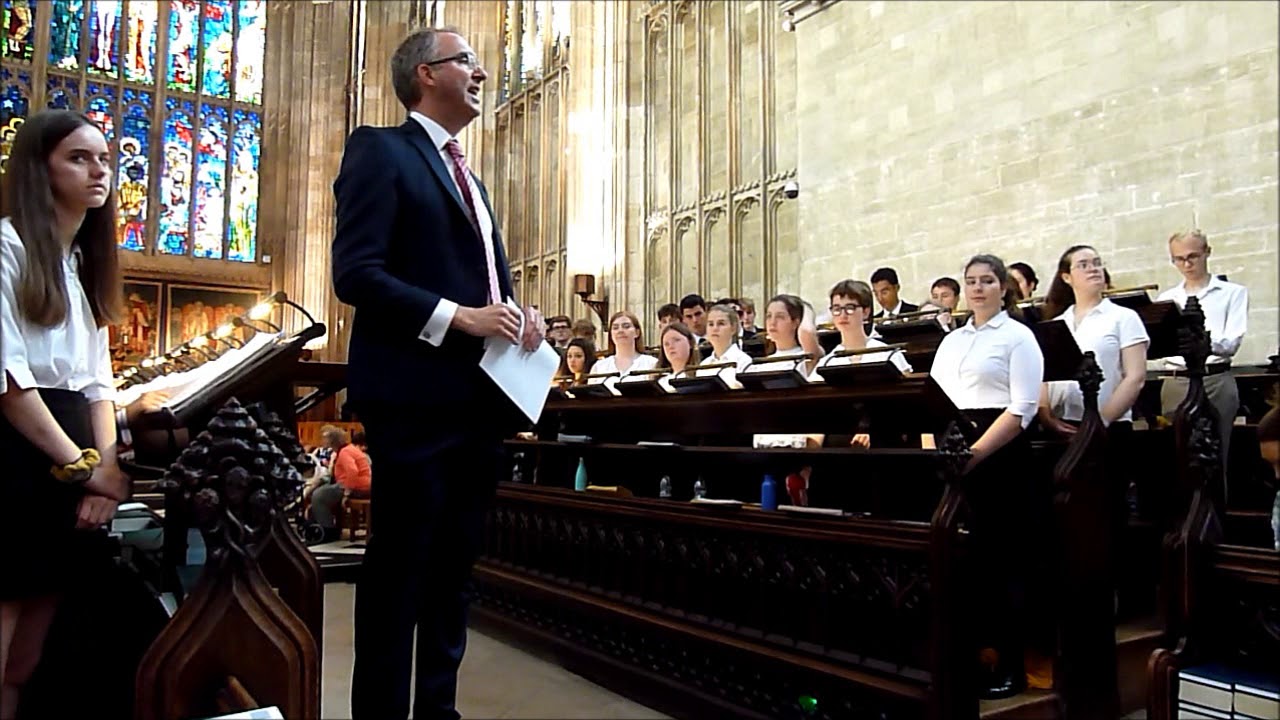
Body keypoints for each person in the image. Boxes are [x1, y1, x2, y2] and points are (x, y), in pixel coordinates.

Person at [330, 28, 545, 720]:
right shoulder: (381, 150)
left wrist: (517, 315)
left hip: (478, 399)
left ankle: (439, 711)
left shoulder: (470, 178)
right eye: (467, 63)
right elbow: (357, 274)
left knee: (454, 573)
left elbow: (488, 290)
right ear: (425, 73)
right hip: (415, 397)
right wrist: (461, 317)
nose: (482, 73)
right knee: (400, 572)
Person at [0, 110, 127, 720]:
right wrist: (83, 467)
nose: (98, 169)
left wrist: (106, 469)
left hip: (72, 462)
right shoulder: (7, 246)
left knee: (30, 654)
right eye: (79, 157)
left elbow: (99, 384)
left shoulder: (80, 267)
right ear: (38, 168)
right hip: (17, 458)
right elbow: (9, 381)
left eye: (104, 158)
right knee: (3, 628)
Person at [930, 254, 1045, 699]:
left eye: (987, 281)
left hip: (999, 458)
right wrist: (939, 456)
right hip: (953, 455)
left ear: (1003, 288)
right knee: (962, 565)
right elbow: (933, 400)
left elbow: (1023, 408)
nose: (978, 289)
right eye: (971, 282)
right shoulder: (953, 341)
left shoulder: (1019, 337)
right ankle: (965, 659)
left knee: (1003, 564)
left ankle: (1009, 667)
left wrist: (971, 456)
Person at [1156, 230, 1248, 483]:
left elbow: (1231, 343)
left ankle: (1216, 518)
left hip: (1215, 377)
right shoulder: (1167, 299)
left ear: (1208, 252)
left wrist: (1201, 341)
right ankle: (1184, 517)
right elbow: (1159, 345)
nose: (1187, 264)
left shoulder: (1232, 293)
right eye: (1179, 259)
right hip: (1177, 379)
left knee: (1217, 455)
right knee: (1179, 457)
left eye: (1193, 256)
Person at [310, 425, 373, 542]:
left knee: (319, 496)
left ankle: (328, 530)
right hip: (360, 484)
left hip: (357, 486)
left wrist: (347, 493)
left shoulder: (345, 452)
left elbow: (352, 472)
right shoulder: (347, 449)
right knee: (323, 490)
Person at [589, 310, 658, 378]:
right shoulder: (599, 367)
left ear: (637, 332)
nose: (620, 331)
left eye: (626, 326)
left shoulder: (651, 364)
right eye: (615, 328)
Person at [703, 303, 753, 375]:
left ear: (733, 328)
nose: (715, 328)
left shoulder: (743, 361)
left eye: (721, 323)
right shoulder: (703, 365)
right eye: (711, 324)